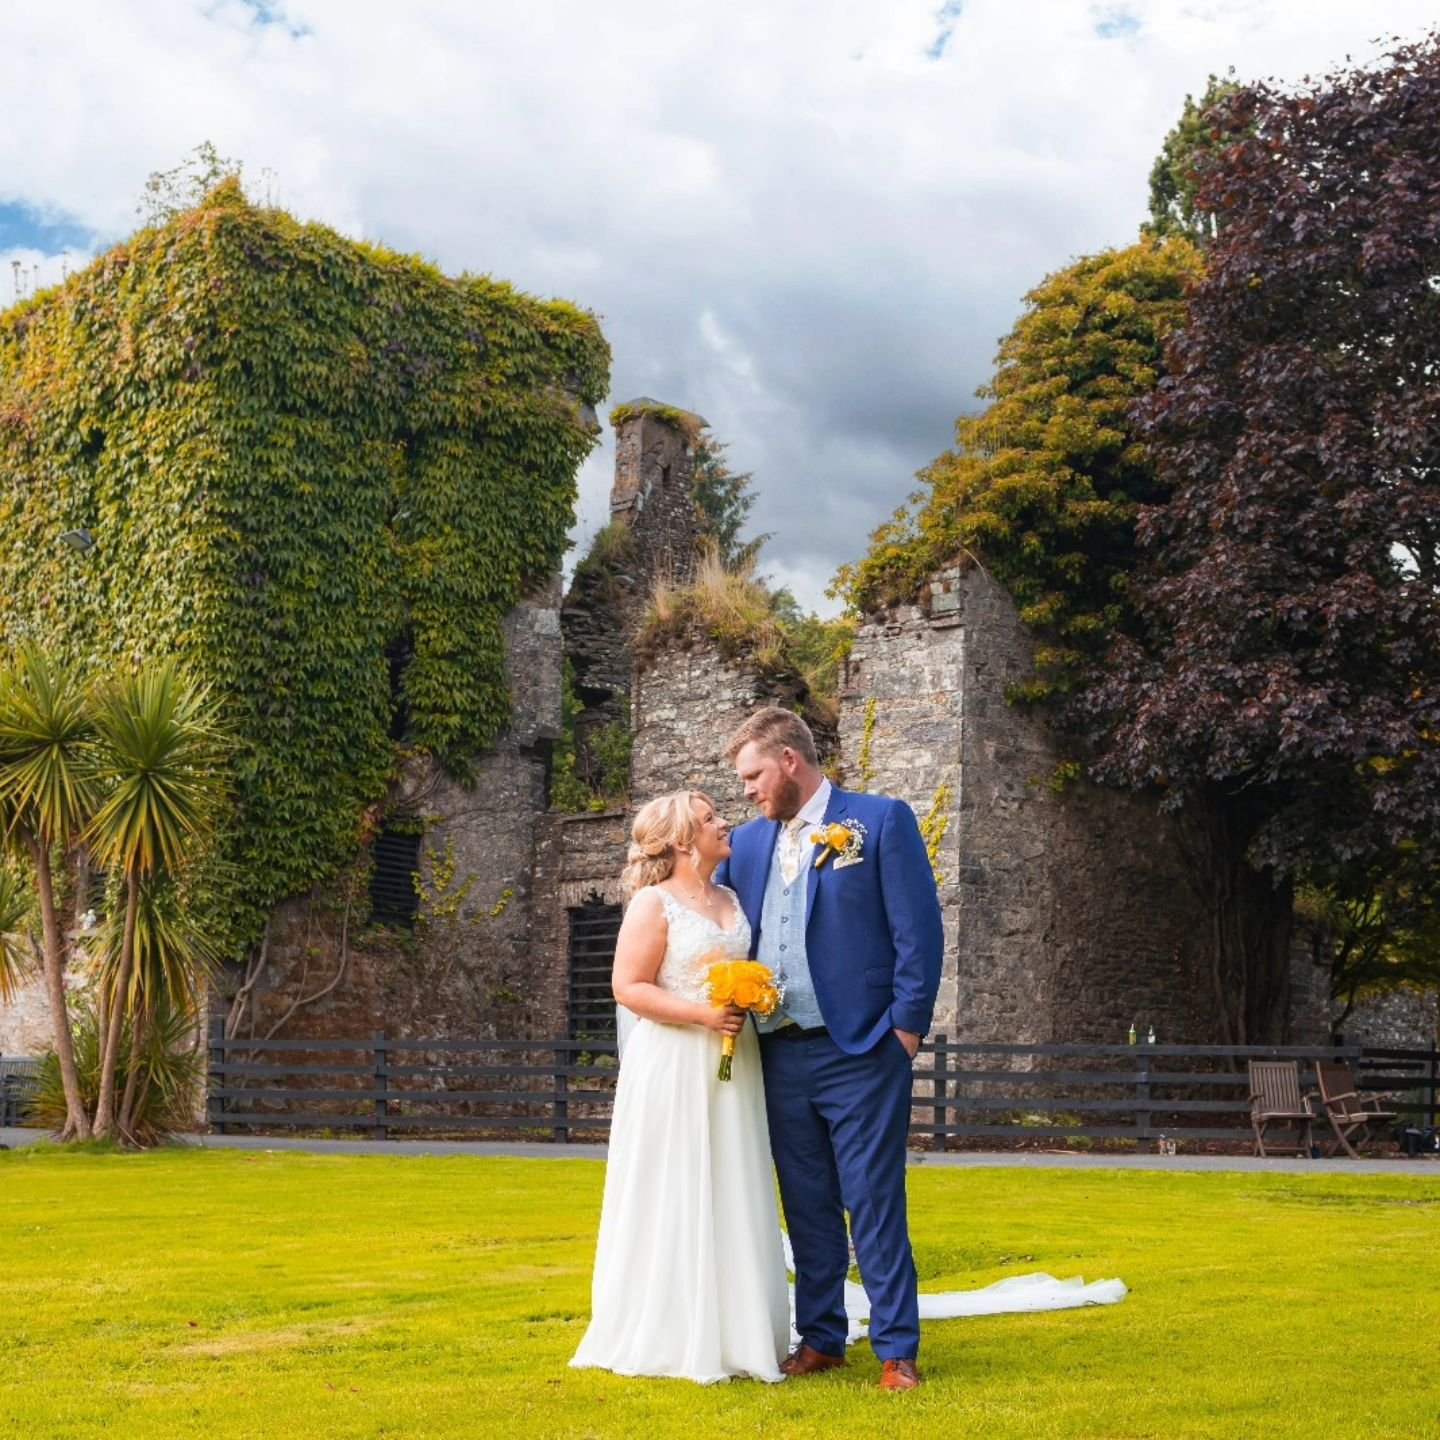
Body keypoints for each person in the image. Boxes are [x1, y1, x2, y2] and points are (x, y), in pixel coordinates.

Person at [716, 707, 944, 1392]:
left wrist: (904, 1032)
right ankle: (822, 1338)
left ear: (790, 760)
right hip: (780, 1050)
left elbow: (919, 933)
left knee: (873, 1197)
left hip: (863, 1048)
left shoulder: (880, 821)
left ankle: (897, 1349)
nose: (748, 790)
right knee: (806, 1198)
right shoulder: (749, 844)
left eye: (754, 775)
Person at [570, 791, 791, 1384]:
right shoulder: (652, 903)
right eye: (711, 818)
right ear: (682, 840)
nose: (725, 823)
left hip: (733, 1058)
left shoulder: (732, 897)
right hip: (674, 1057)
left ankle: (739, 1329)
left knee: (732, 1176)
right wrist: (702, 1016)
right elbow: (628, 986)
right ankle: (669, 1329)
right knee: (677, 1179)